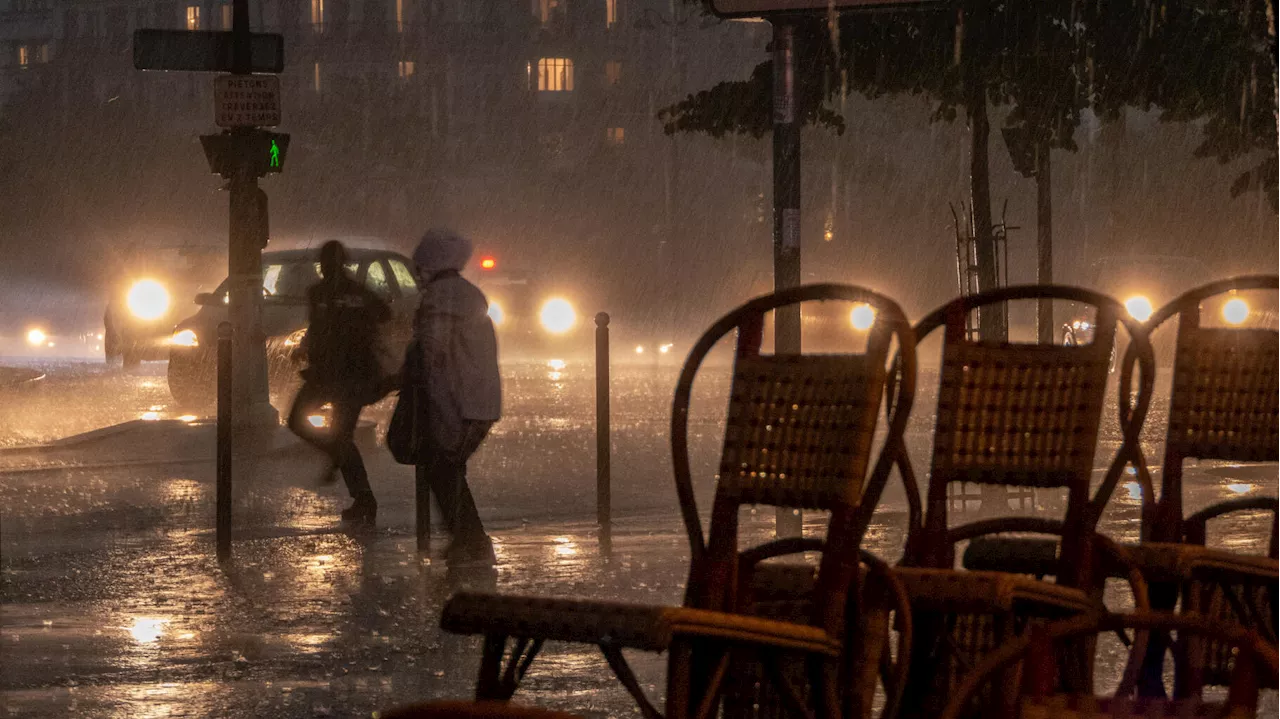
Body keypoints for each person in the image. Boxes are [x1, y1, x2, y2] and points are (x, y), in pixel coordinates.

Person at [411, 229, 502, 565]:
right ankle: (466, 541)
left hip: (461, 404)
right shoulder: (467, 294)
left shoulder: (440, 298)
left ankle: (472, 543)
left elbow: (431, 352)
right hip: (479, 401)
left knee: (442, 470)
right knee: (449, 469)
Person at [287, 240, 392, 524]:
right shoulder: (349, 293)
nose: (325, 268)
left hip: (344, 375)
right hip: (343, 374)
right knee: (322, 430)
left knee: (308, 424)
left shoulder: (325, 293)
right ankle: (341, 460)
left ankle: (362, 496)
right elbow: (384, 314)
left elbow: (379, 315)